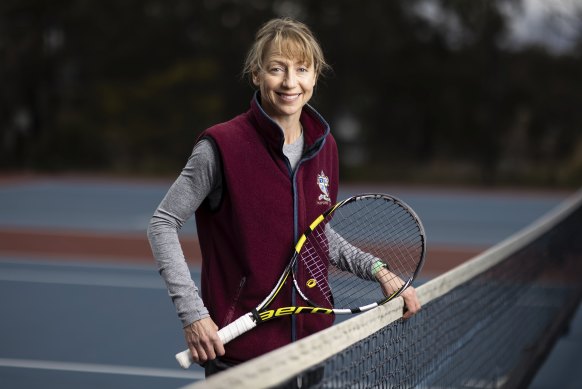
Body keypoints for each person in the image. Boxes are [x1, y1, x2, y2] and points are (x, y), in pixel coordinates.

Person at [147, 17, 421, 377]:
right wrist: (194, 314)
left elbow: (315, 235)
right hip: (243, 357)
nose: (290, 82)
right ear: (257, 75)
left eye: (302, 69)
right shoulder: (221, 147)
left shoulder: (326, 147)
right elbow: (162, 223)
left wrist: (378, 270)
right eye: (277, 69)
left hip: (310, 349)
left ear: (315, 76)